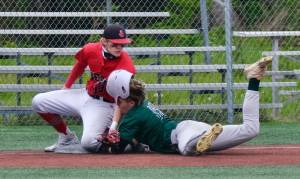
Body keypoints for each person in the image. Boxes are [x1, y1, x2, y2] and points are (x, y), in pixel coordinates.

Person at [104, 56, 273, 155]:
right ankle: (254, 78)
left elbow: (118, 149)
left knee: (186, 148)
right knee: (251, 129)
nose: (117, 104)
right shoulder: (143, 105)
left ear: (131, 102)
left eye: (119, 101)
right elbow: (135, 138)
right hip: (192, 126)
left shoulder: (133, 115)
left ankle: (200, 140)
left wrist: (108, 141)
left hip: (182, 134)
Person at [31, 24, 135, 153]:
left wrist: (114, 125)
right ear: (103, 41)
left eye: (122, 44)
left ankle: (130, 145)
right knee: (38, 101)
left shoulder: (127, 66)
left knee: (89, 143)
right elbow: (79, 66)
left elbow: (122, 100)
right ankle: (67, 137)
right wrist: (66, 87)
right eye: (115, 44)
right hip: (85, 95)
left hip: (104, 105)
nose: (119, 48)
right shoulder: (91, 49)